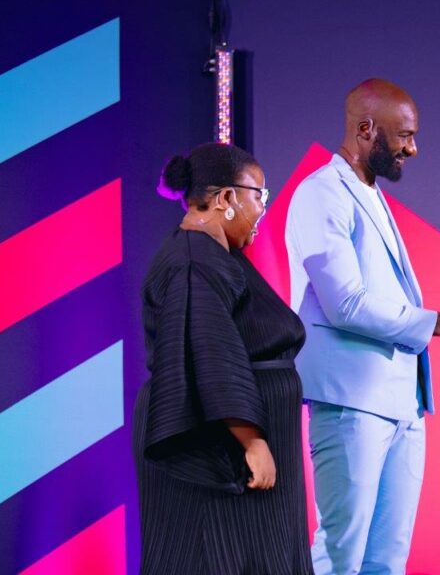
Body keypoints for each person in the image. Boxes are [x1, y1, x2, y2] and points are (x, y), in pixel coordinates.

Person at [285, 78, 440, 575]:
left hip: (402, 406)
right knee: (341, 555)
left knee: (386, 561)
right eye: (404, 135)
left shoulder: (370, 193)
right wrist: (436, 323)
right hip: (351, 404)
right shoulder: (321, 193)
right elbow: (345, 304)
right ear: (366, 129)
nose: (412, 148)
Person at [133, 143, 312, 574]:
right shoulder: (193, 260)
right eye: (259, 196)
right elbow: (209, 349)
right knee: (215, 557)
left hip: (238, 436)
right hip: (222, 443)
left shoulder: (214, 255)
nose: (262, 209)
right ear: (227, 198)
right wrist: (252, 442)